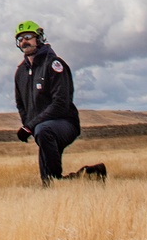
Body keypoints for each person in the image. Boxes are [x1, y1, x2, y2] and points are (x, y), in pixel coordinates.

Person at [14, 21, 106, 184]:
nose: (24, 42)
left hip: (63, 123)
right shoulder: (20, 71)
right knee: (47, 181)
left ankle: (57, 182)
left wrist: (31, 126)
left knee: (44, 132)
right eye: (20, 39)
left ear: (39, 38)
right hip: (41, 129)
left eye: (28, 37)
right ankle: (92, 174)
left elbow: (61, 103)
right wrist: (28, 125)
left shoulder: (54, 64)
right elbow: (21, 104)